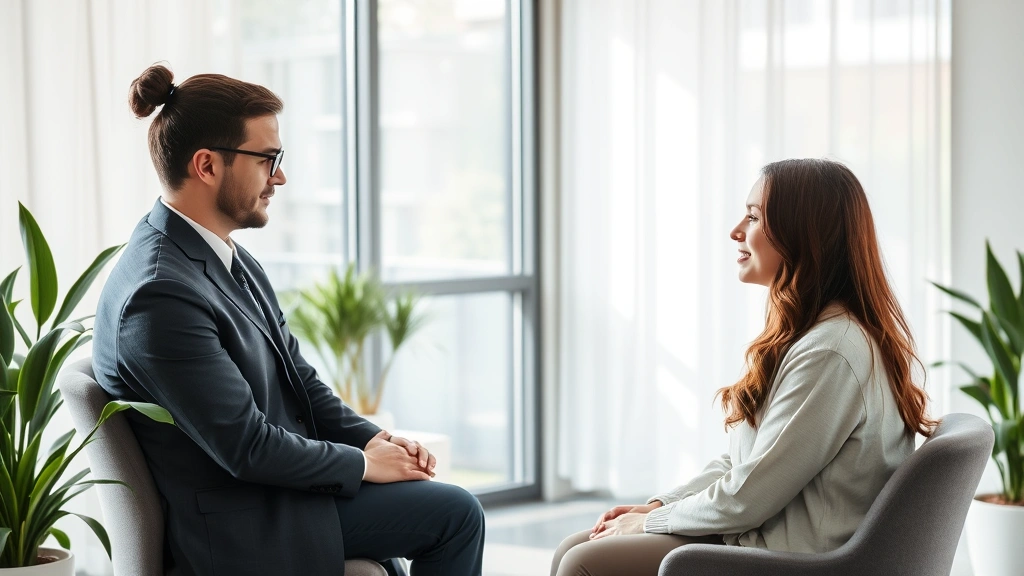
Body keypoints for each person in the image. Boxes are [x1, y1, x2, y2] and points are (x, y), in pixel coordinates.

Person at [92, 63, 485, 576]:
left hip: (273, 491)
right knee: (455, 514)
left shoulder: (221, 255)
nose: (280, 176)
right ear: (207, 165)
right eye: (268, 158)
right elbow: (245, 446)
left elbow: (297, 379)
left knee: (432, 497)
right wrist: (365, 466)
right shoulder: (159, 293)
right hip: (241, 519)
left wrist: (372, 441)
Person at [550, 158, 937, 576]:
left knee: (582, 563)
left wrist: (650, 522)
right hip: (764, 534)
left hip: (790, 559)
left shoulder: (831, 352)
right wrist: (662, 504)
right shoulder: (813, 334)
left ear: (802, 236)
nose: (736, 231)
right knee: (573, 546)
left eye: (752, 217)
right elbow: (743, 465)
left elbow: (747, 497)